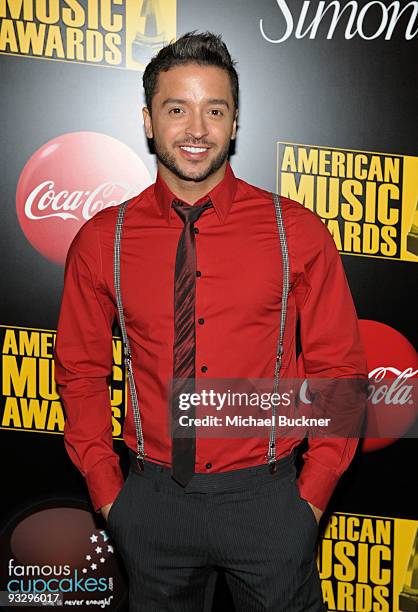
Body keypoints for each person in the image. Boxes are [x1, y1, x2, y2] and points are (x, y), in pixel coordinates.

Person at [54, 31, 368, 612]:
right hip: (151, 501)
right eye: (177, 108)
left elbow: (340, 370)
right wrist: (110, 495)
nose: (196, 128)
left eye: (214, 109)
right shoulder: (103, 240)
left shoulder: (295, 231)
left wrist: (311, 497)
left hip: (270, 502)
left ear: (234, 121)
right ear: (148, 120)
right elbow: (80, 370)